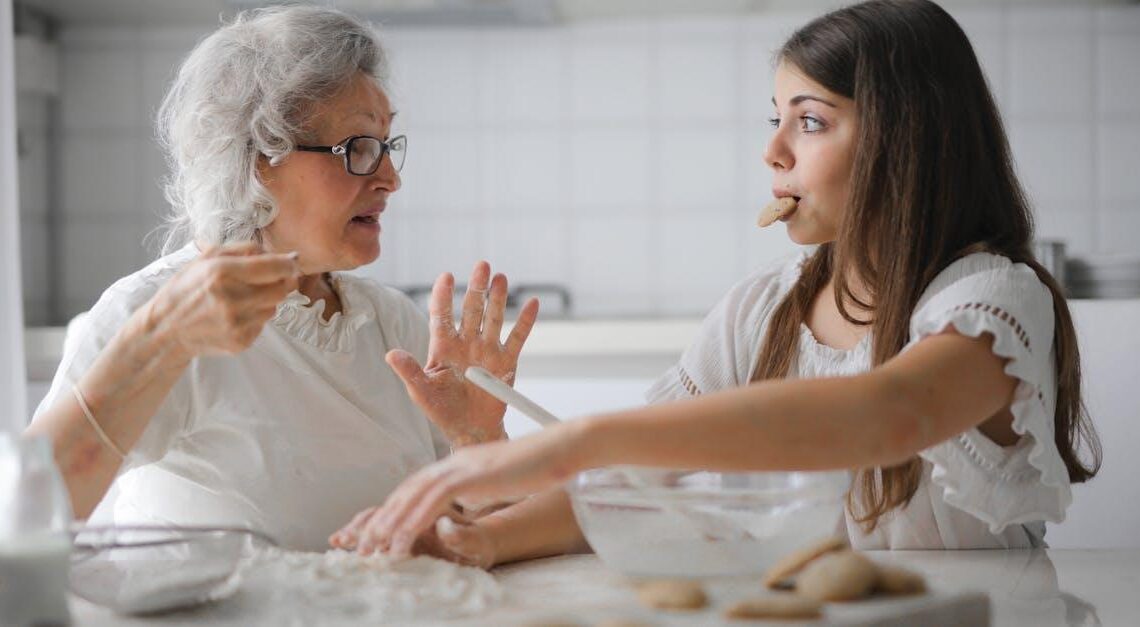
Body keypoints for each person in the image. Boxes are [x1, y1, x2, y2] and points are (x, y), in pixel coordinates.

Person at [332, 0, 1101, 564]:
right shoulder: (759, 311)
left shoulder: (993, 301)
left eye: (810, 120)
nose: (772, 151)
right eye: (775, 118)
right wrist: (485, 537)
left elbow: (891, 412)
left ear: (907, 139)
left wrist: (579, 436)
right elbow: (634, 483)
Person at [24, 5, 537, 551]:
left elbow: (472, 538)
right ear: (255, 158)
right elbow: (26, 515)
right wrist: (158, 341)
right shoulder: (153, 310)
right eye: (358, 148)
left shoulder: (391, 324)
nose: (391, 178)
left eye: (387, 146)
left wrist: (478, 440)